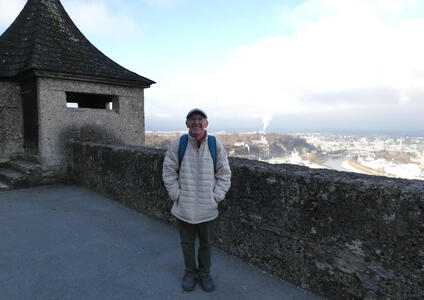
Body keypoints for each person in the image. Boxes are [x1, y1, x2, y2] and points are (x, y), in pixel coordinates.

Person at [162, 108, 231, 292]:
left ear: (206, 123)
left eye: (200, 119)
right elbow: (168, 172)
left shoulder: (215, 145)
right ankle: (190, 273)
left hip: (207, 207)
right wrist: (177, 195)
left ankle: (204, 273)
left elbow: (225, 174)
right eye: (192, 119)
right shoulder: (179, 145)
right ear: (187, 124)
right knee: (187, 243)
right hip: (184, 206)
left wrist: (216, 197)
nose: (196, 122)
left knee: (206, 244)